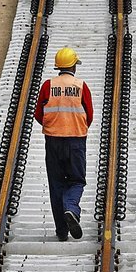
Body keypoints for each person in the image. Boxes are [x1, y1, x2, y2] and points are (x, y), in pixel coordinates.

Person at [34, 47, 94, 241]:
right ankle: (71, 208)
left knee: (56, 183)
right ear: (74, 66)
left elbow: (38, 113)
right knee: (77, 180)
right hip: (76, 141)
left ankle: (61, 231)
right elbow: (89, 114)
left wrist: (52, 126)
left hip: (52, 141)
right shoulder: (81, 86)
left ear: (58, 66)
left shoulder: (47, 85)